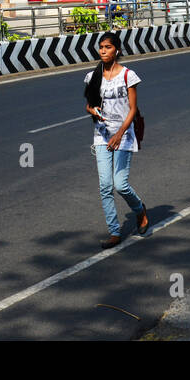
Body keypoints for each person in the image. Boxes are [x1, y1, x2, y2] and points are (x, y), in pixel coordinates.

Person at [83, 32, 148, 248]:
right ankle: (114, 232)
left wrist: (120, 133)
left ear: (117, 50)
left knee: (120, 185)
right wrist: (93, 110)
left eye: (108, 47)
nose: (103, 50)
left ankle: (140, 210)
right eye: (101, 47)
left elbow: (133, 109)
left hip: (124, 136)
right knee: (105, 186)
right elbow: (88, 106)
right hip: (101, 135)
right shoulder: (93, 76)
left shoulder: (128, 75)